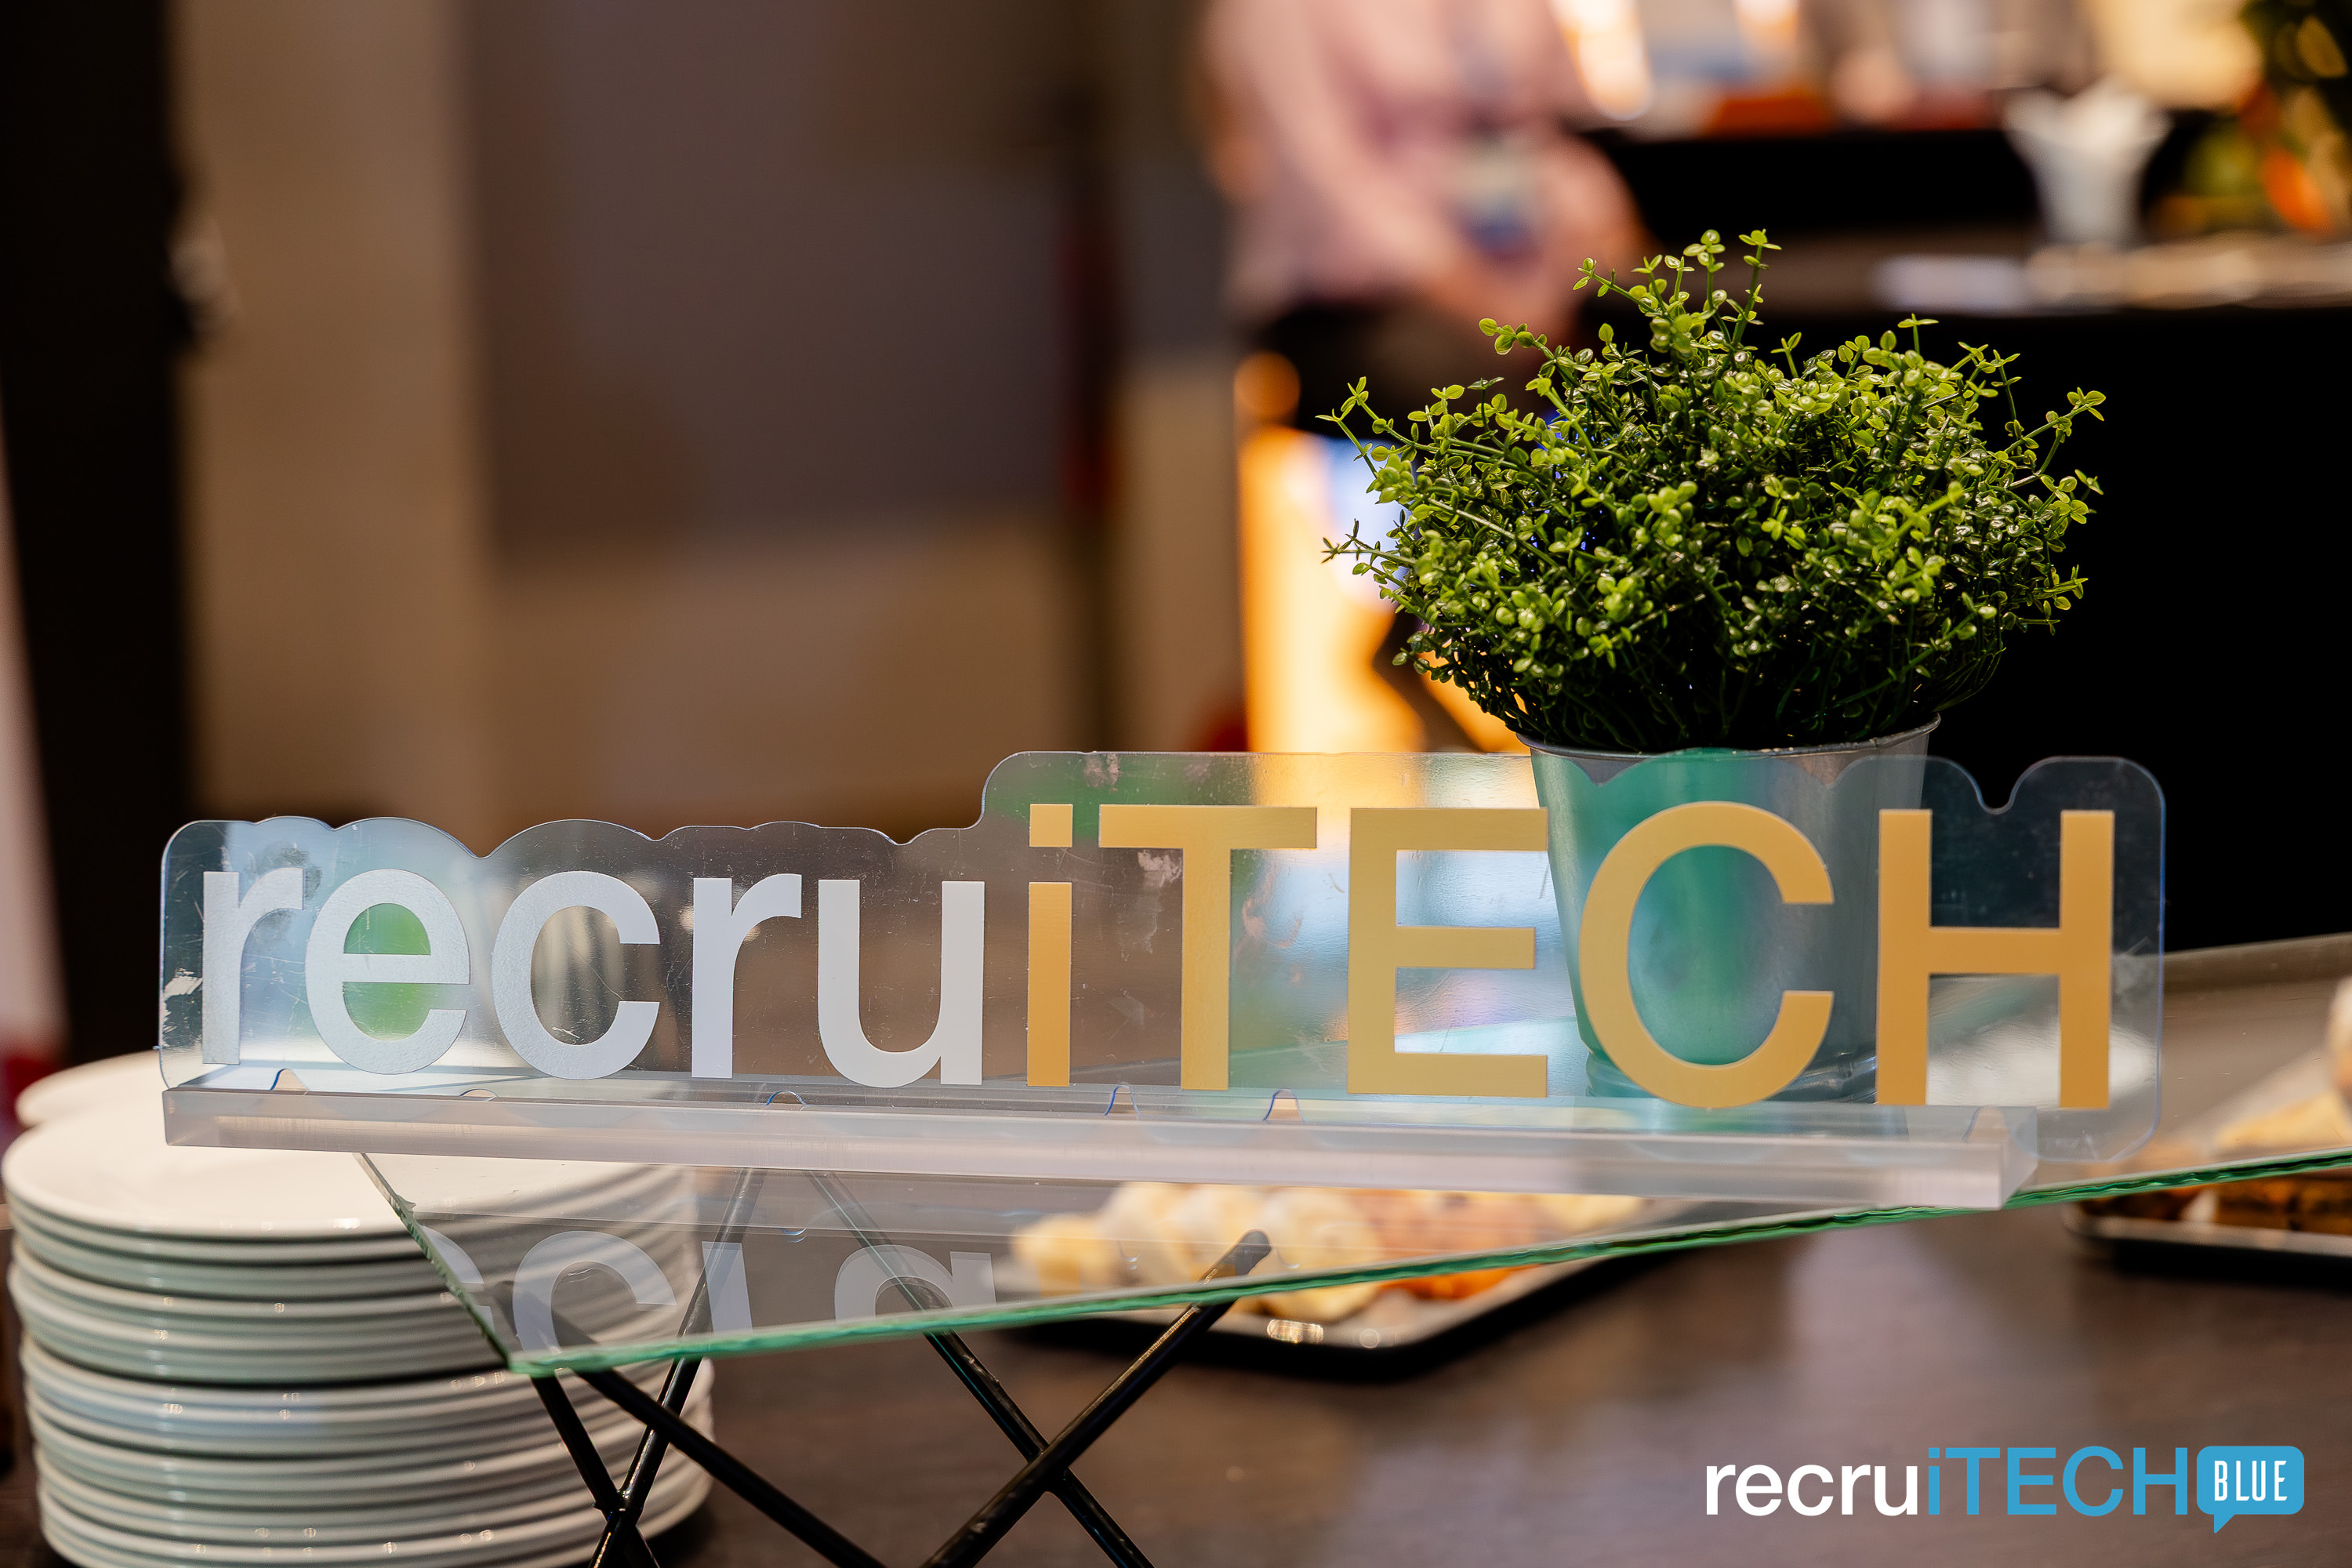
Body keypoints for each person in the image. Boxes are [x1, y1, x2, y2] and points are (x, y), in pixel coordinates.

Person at [1200, 0, 1642, 428]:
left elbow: (1564, 130)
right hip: (1356, 302)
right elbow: (1324, 181)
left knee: (1659, 351)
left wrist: (1603, 246)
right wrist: (1497, 312)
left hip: (1532, 278)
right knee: (1479, 404)